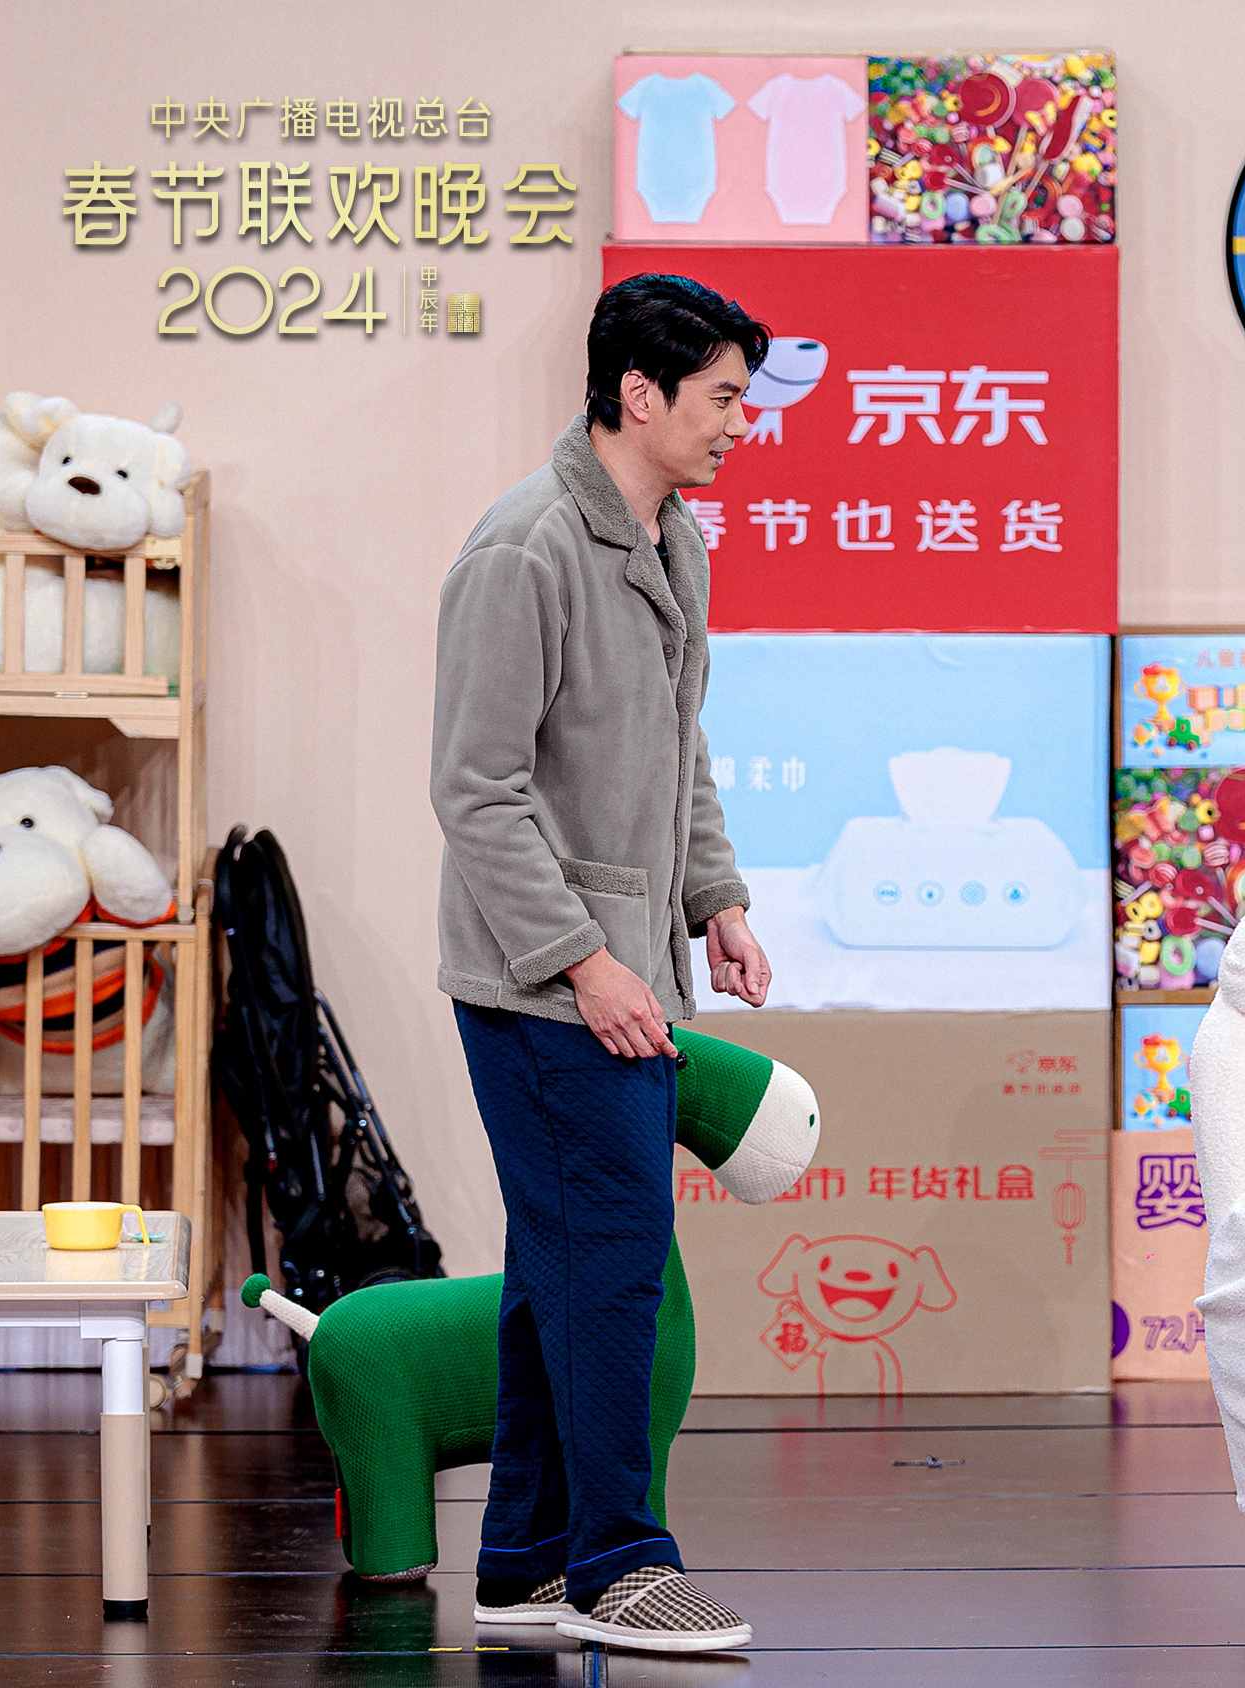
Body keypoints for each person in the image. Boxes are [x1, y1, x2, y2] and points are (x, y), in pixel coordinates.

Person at [431, 274, 775, 1654]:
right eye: (724, 396)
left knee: (560, 1271)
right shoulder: (524, 549)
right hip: (542, 988)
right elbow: (476, 792)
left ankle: (525, 1560)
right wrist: (584, 963)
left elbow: (678, 746)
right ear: (640, 392)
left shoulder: (674, 539)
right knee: (616, 1266)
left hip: (626, 968)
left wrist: (716, 898)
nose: (742, 422)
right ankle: (619, 1562)